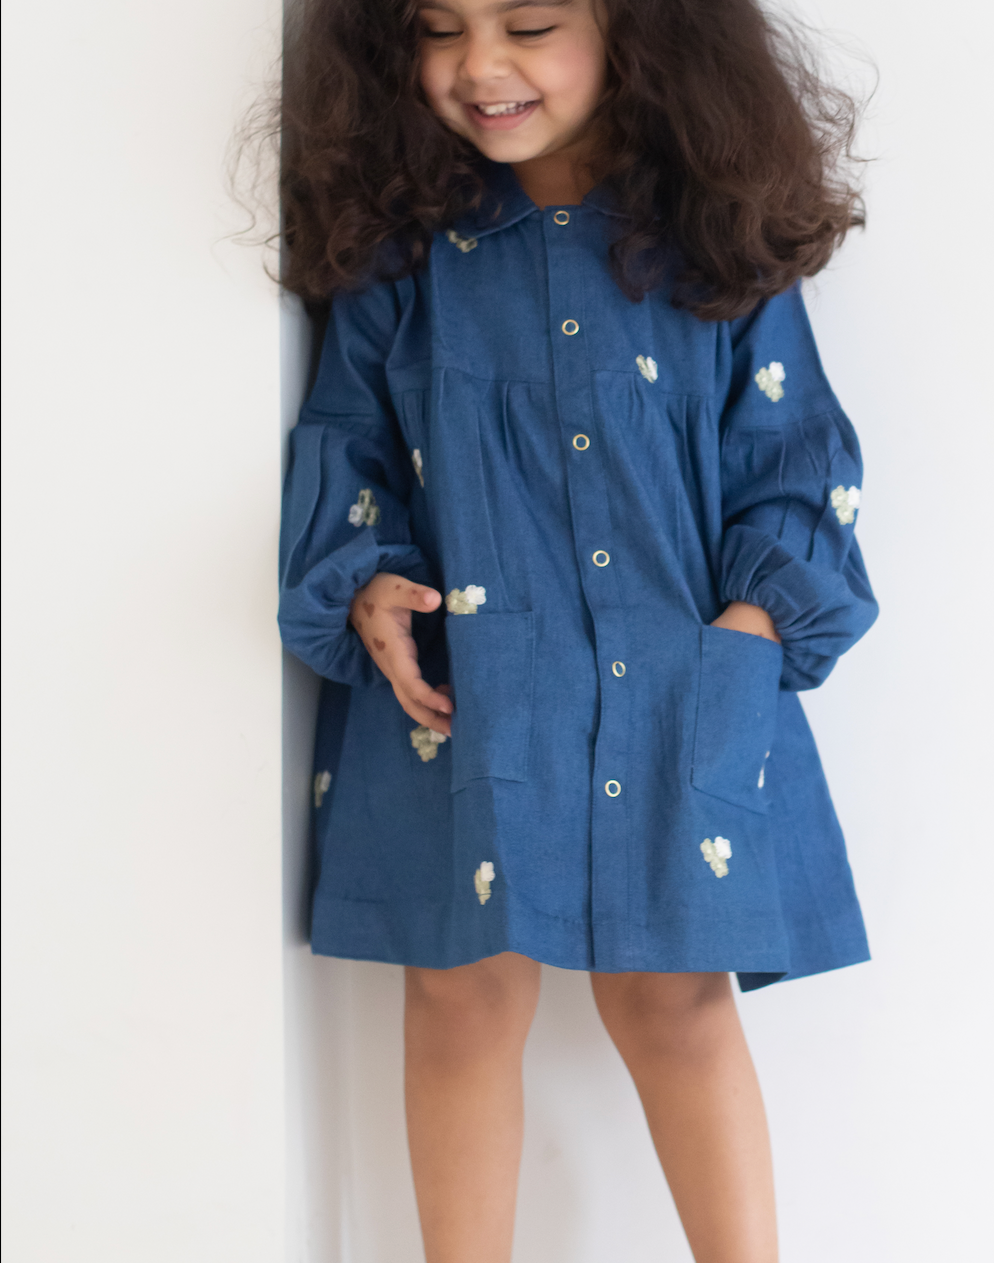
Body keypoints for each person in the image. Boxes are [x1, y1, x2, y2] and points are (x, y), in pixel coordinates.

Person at [276, 0, 878, 1258]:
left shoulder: (713, 251)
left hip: (678, 676)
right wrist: (367, 580)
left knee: (677, 1002)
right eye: (440, 29)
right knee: (460, 991)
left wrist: (755, 631)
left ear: (644, 32)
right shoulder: (404, 260)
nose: (479, 66)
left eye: (530, 23)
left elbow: (795, 457)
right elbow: (347, 448)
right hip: (468, 682)